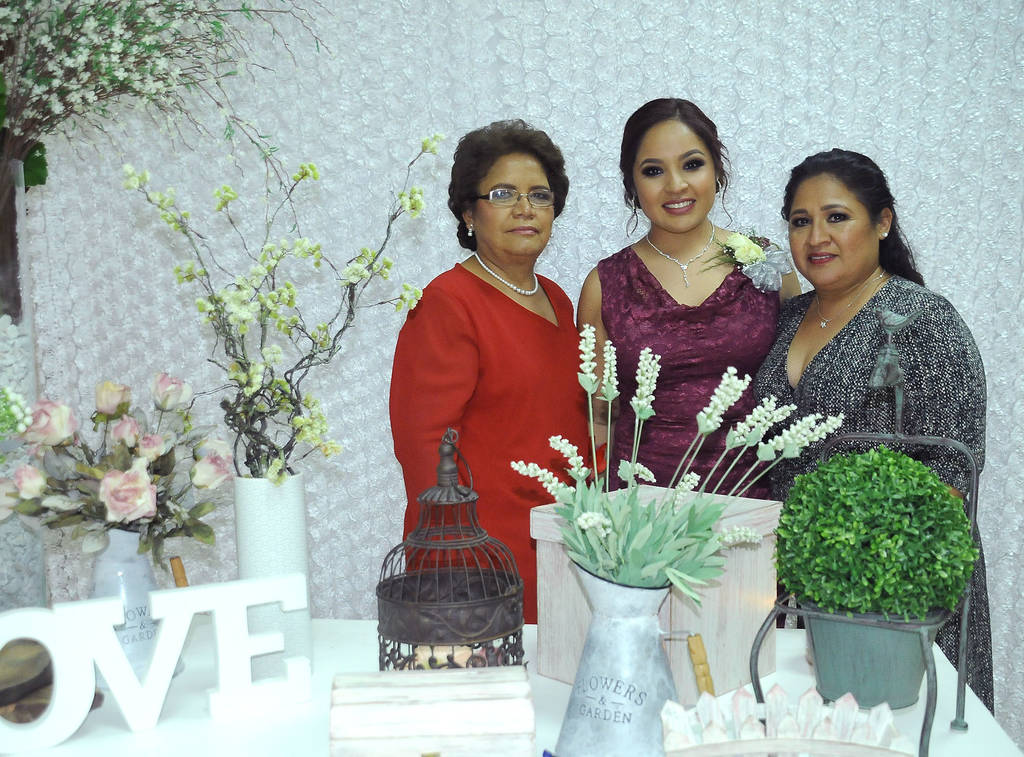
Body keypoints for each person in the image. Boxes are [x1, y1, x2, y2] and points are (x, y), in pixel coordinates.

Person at [753, 148, 993, 711]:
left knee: (899, 732)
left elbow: (951, 478)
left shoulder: (921, 320)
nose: (816, 237)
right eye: (800, 221)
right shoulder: (788, 316)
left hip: (898, 599)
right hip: (799, 593)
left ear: (882, 222)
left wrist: (860, 569)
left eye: (837, 217)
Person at [389, 120, 588, 624]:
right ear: (468, 212)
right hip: (477, 557)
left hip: (561, 544)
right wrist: (460, 556)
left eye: (539, 195)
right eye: (503, 194)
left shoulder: (558, 299)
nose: (525, 208)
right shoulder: (447, 302)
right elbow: (424, 447)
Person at [577, 98, 799, 497]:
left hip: (753, 499)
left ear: (717, 170)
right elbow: (599, 418)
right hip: (639, 506)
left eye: (692, 164)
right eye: (653, 171)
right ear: (631, 184)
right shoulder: (605, 284)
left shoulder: (769, 266)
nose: (675, 185)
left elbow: (795, 390)